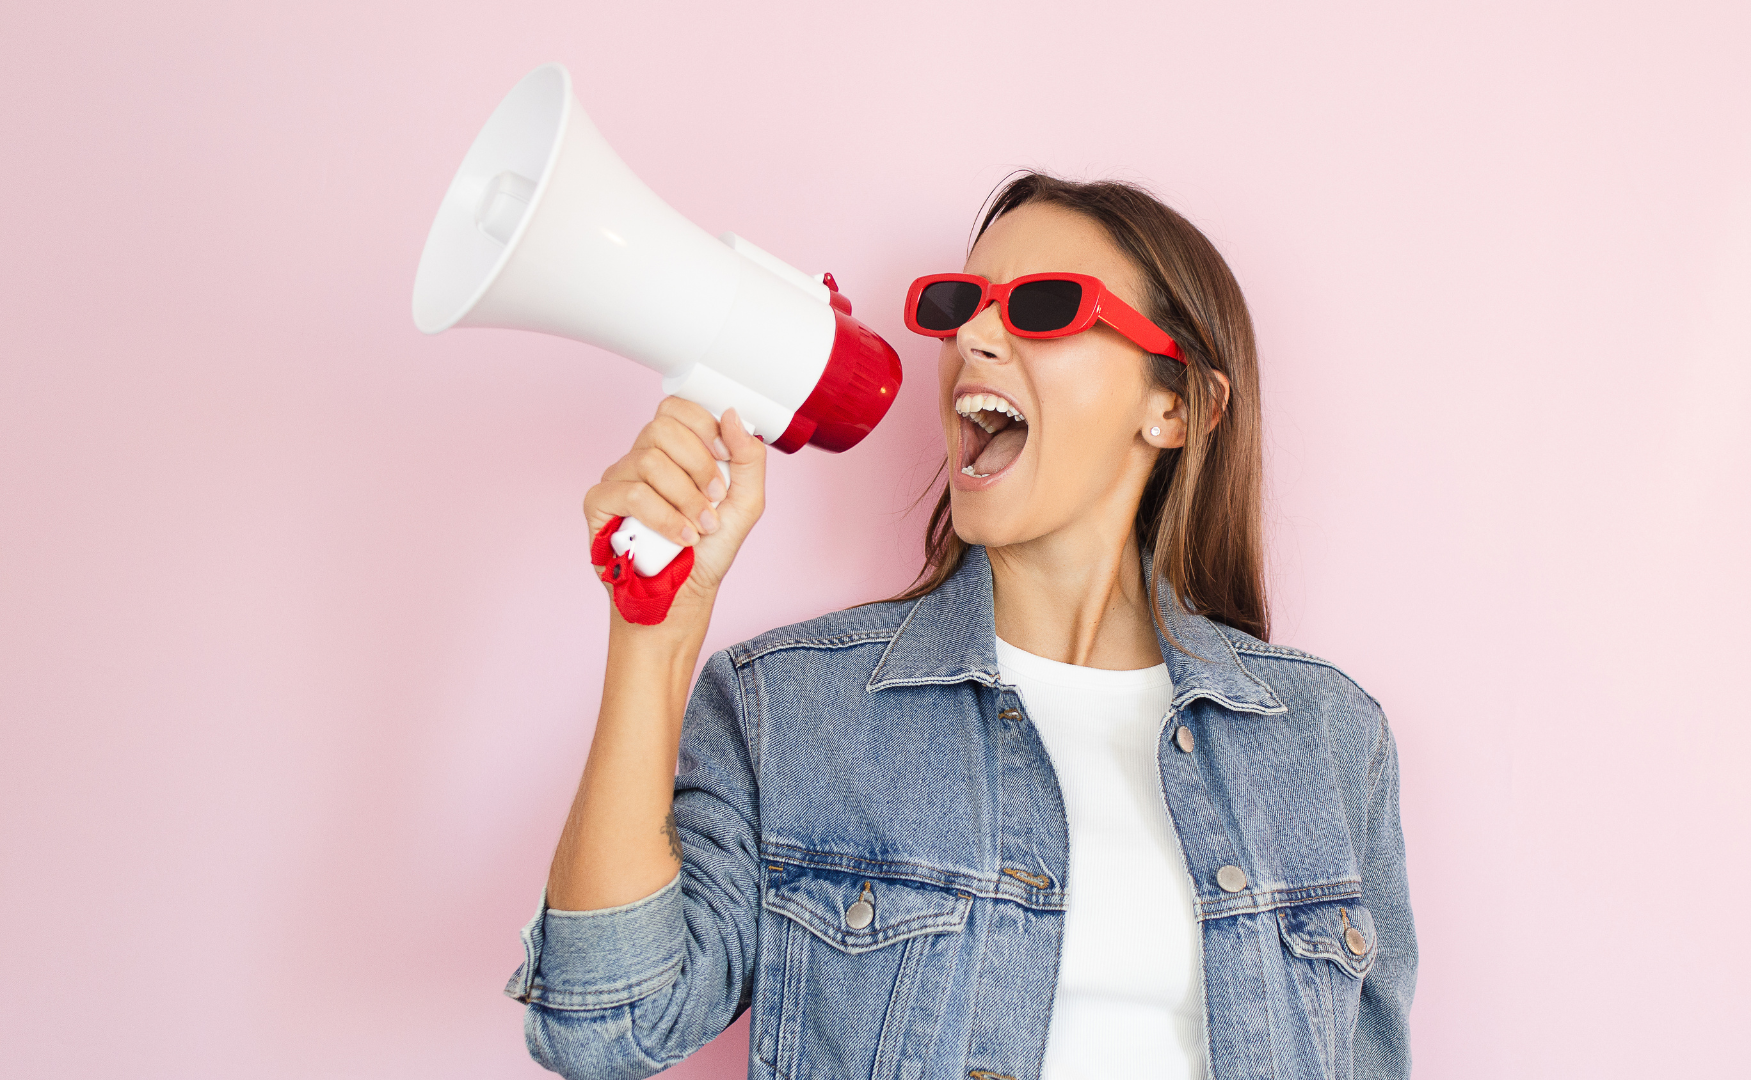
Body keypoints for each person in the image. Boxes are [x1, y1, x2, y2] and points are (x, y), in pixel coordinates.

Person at [506, 173, 1416, 1080]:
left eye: (1046, 307)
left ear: (1176, 408)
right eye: (963, 304)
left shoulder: (1331, 738)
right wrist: (654, 632)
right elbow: (603, 1025)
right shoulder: (789, 709)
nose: (974, 335)